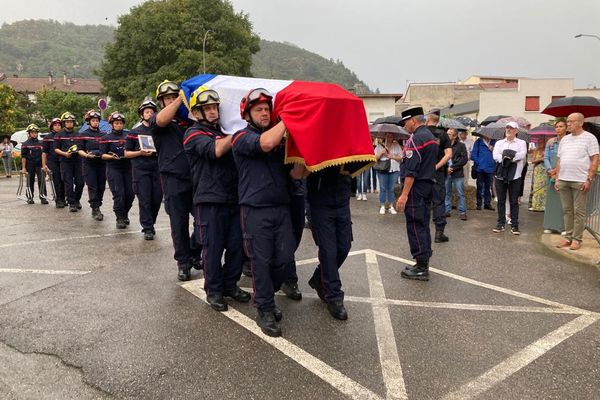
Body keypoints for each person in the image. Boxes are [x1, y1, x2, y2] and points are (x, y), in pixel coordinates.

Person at [232, 88, 296, 337]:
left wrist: (307, 160)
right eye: (259, 109)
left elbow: (294, 174)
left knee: (283, 259)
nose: (265, 113)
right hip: (255, 210)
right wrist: (290, 118)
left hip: (281, 208)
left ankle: (268, 297)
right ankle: (265, 309)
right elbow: (266, 143)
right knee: (261, 262)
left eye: (268, 109)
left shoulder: (280, 142)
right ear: (247, 114)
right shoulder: (241, 137)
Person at [183, 87, 250, 311]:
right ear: (197, 112)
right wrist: (240, 132)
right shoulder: (193, 134)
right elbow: (216, 150)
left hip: (233, 198)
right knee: (213, 248)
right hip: (209, 200)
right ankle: (213, 290)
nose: (213, 112)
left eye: (215, 107)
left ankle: (229, 284)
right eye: (207, 108)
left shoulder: (224, 131)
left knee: (236, 247)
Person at [150, 80, 202, 281]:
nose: (172, 101)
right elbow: (161, 120)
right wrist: (180, 97)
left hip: (197, 176)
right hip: (173, 177)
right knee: (178, 222)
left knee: (203, 220)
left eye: (174, 96)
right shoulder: (159, 120)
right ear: (162, 101)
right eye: (167, 98)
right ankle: (183, 262)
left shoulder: (190, 119)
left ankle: (193, 252)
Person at [395, 107, 438, 281]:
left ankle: (421, 267)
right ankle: (423, 261)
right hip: (428, 186)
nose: (405, 126)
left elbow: (411, 170)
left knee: (415, 224)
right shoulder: (431, 137)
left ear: (413, 120)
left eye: (406, 122)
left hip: (416, 188)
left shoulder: (416, 139)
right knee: (423, 224)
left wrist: (404, 195)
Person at [306, 165, 352, 320]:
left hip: (342, 199)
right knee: (328, 251)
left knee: (344, 247)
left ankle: (319, 278)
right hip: (320, 201)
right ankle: (334, 297)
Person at [554, 113, 599, 250]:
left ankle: (577, 239)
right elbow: (560, 160)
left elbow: (595, 158)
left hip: (580, 180)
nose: (568, 124)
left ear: (580, 123)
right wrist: (557, 178)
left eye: (571, 122)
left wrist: (589, 178)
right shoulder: (565, 140)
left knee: (579, 212)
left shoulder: (589, 138)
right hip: (564, 179)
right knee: (567, 210)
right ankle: (568, 237)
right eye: (567, 121)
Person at [126, 100, 163, 240]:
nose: (149, 113)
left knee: (157, 198)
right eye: (146, 111)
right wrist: (140, 153)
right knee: (145, 199)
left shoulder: (160, 131)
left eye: (152, 111)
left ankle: (151, 222)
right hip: (140, 170)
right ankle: (147, 227)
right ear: (141, 114)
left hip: (157, 168)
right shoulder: (134, 132)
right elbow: (126, 153)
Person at [492, 121, 528, 235]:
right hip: (501, 173)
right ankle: (500, 223)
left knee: (514, 201)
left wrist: (509, 157)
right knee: (501, 200)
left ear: (516, 131)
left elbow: (522, 154)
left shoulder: (521, 142)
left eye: (511, 128)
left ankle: (514, 225)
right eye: (507, 128)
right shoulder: (499, 142)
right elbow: (495, 155)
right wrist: (506, 158)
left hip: (515, 174)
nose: (508, 130)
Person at [100, 112, 134, 229]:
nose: (118, 125)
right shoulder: (106, 138)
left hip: (128, 167)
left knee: (130, 194)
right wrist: (111, 157)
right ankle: (119, 217)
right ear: (112, 125)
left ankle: (125, 214)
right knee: (119, 194)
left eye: (120, 123)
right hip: (114, 168)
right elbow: (102, 155)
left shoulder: (129, 136)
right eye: (116, 123)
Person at [426, 109, 452, 243]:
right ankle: (439, 233)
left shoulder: (420, 133)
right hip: (437, 173)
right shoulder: (443, 134)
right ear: (438, 120)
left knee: (423, 202)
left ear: (427, 119)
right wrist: (437, 166)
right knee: (438, 202)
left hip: (422, 173)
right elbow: (448, 154)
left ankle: (423, 232)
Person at [77, 110, 106, 221]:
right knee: (92, 186)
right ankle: (95, 208)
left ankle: (98, 203)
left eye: (97, 121)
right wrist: (86, 155)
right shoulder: (83, 135)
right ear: (89, 122)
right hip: (89, 164)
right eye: (93, 120)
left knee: (101, 187)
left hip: (102, 164)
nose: (95, 122)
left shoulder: (104, 135)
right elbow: (79, 150)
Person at [53, 112, 84, 212]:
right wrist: (64, 153)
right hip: (65, 161)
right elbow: (56, 149)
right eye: (67, 122)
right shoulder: (59, 135)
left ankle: (76, 199)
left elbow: (82, 147)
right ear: (64, 123)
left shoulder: (78, 134)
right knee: (68, 183)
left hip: (78, 161)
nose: (69, 123)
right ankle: (71, 203)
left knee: (80, 183)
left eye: (71, 122)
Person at [543, 120, 567, 233]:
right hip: (551, 174)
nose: (558, 128)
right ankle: (550, 225)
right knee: (551, 200)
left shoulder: (569, 141)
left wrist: (557, 171)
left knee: (563, 201)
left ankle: (562, 227)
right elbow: (546, 157)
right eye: (556, 126)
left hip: (564, 173)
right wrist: (550, 170)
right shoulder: (551, 142)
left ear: (566, 128)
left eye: (561, 126)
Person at [374, 133, 402, 214]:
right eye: (387, 135)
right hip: (382, 169)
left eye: (391, 135)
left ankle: (391, 206)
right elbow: (374, 158)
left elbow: (401, 157)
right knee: (383, 188)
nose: (389, 137)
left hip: (394, 169)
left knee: (391, 188)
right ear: (384, 136)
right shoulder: (379, 146)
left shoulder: (396, 145)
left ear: (393, 136)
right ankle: (382, 205)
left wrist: (391, 156)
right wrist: (381, 153)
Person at [20, 124, 47, 204]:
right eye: (32, 132)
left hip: (39, 164)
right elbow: (23, 157)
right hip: (29, 165)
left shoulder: (41, 143)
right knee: (30, 181)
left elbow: (44, 155)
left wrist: (44, 165)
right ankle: (29, 197)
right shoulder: (25, 144)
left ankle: (43, 197)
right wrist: (24, 168)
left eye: (35, 132)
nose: (34, 134)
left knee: (41, 180)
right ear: (29, 133)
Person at [444, 128, 468, 220]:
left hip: (457, 173)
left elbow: (464, 159)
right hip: (446, 172)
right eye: (447, 133)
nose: (447, 135)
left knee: (460, 193)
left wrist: (452, 167)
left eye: (449, 134)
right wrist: (446, 168)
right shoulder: (444, 145)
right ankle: (447, 210)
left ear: (454, 136)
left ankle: (462, 212)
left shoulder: (461, 145)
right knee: (447, 192)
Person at [42, 118, 66, 208]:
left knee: (64, 180)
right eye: (55, 125)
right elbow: (44, 152)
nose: (57, 127)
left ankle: (63, 198)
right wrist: (44, 165)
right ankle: (58, 199)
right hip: (52, 161)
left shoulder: (64, 136)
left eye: (59, 125)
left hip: (64, 160)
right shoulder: (47, 138)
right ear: (52, 126)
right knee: (56, 180)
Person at [471, 133, 496, 211]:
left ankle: (487, 204)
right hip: (480, 168)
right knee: (479, 187)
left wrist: (493, 149)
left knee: (488, 187)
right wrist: (479, 162)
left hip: (490, 168)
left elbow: (498, 154)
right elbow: (473, 155)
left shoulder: (494, 142)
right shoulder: (478, 142)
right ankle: (479, 204)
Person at [528, 136, 548, 212]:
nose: (539, 143)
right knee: (536, 187)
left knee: (544, 188)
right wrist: (540, 159)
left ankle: (543, 205)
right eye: (538, 142)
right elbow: (532, 161)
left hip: (545, 170)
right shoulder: (536, 150)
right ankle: (536, 205)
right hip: (538, 170)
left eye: (541, 142)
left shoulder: (547, 150)